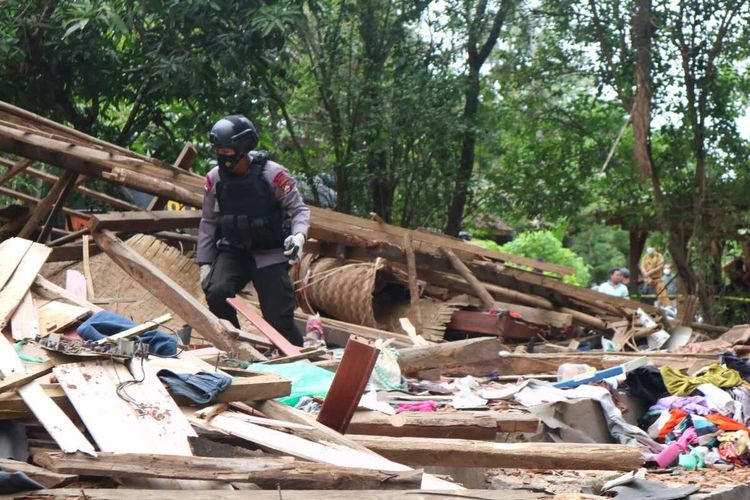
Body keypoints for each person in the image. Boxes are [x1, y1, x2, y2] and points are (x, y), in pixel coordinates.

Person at [197, 115, 310, 346]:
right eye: (218, 150)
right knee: (217, 292)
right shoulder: (213, 179)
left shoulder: (274, 175)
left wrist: (299, 237)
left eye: (227, 150)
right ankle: (238, 346)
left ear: (242, 148)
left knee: (278, 318)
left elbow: (299, 210)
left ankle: (297, 357)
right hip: (233, 250)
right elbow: (208, 222)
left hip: (269, 252)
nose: (222, 155)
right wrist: (204, 263)